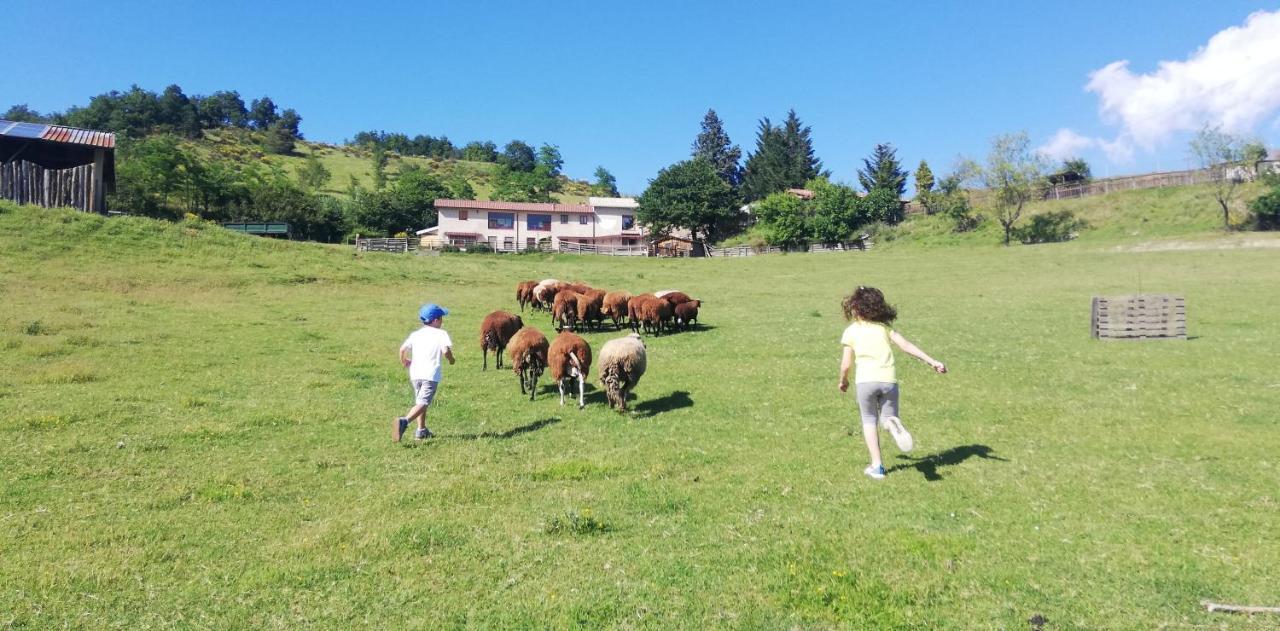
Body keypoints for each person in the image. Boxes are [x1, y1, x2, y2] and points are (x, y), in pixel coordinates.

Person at [837, 286, 947, 480]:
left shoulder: (851, 331)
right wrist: (932, 361)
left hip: (865, 382)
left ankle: (877, 467)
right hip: (888, 380)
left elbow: (846, 364)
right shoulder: (884, 329)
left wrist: (843, 381)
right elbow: (906, 346)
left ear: (855, 308)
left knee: (869, 421)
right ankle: (891, 422)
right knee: (887, 418)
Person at [395, 303, 455, 442]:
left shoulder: (416, 334)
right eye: (441, 318)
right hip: (430, 374)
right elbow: (446, 351)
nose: (442, 321)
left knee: (419, 401)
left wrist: (404, 362)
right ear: (435, 320)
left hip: (415, 373)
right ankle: (404, 421)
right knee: (423, 402)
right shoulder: (441, 334)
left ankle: (421, 431)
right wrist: (451, 360)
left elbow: (402, 349)